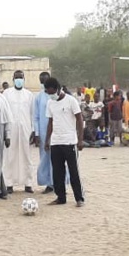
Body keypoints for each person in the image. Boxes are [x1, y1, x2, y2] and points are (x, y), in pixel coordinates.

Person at [43, 77, 85, 206]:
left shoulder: (71, 101)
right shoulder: (50, 103)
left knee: (73, 171)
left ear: (58, 89)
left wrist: (80, 139)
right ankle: (61, 197)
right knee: (57, 172)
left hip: (70, 142)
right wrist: (47, 140)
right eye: (48, 93)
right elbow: (50, 122)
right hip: (56, 142)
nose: (50, 95)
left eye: (52, 92)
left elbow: (79, 119)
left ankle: (79, 198)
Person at [2, 70, 36, 194]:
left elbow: (33, 114)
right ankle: (9, 183)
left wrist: (33, 130)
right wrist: (5, 132)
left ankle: (28, 183)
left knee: (26, 156)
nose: (19, 80)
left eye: (21, 77)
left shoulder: (29, 95)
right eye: (16, 77)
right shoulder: (6, 93)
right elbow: (4, 113)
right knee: (10, 156)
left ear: (24, 79)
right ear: (13, 79)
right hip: (11, 129)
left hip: (26, 129)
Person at [33, 71, 55, 194]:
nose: (43, 83)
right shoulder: (38, 97)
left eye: (45, 80)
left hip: (56, 132)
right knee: (45, 158)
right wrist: (36, 133)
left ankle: (58, 182)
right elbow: (35, 117)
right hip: (42, 132)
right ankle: (49, 184)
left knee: (56, 158)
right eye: (41, 81)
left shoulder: (56, 96)